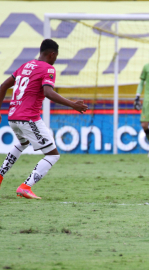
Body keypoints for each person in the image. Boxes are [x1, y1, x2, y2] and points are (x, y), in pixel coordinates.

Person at [0, 39, 88, 199]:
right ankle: (26, 186)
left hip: (12, 116)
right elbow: (48, 92)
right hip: (28, 118)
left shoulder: (25, 66)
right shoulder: (48, 69)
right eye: (56, 57)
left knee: (22, 143)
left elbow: (3, 86)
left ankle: (0, 176)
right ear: (52, 54)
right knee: (53, 155)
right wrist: (73, 105)